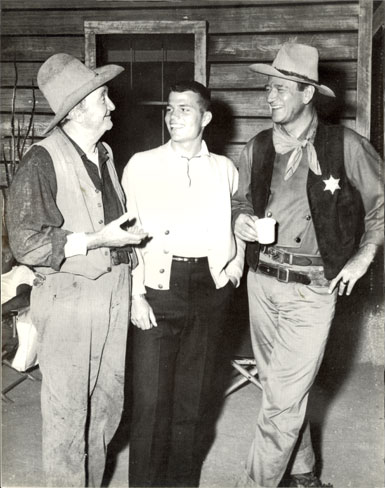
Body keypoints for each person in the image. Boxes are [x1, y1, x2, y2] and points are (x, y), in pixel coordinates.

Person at [232, 43, 383, 488]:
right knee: (282, 392)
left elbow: (381, 206)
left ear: (306, 94)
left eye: (279, 88)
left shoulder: (347, 146)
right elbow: (239, 200)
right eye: (267, 88)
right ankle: (302, 475)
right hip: (261, 283)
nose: (269, 97)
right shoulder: (260, 146)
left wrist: (363, 256)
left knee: (280, 403)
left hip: (314, 288)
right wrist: (238, 219)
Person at [6, 53, 148, 487]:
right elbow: (26, 240)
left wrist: (132, 276)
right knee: (69, 414)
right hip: (69, 299)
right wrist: (95, 241)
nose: (112, 106)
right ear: (78, 109)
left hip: (112, 293)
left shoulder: (104, 153)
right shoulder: (41, 160)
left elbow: (114, 222)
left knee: (107, 407)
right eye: (103, 97)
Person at [122, 80, 245, 487]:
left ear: (206, 117)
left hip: (210, 288)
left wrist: (233, 269)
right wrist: (135, 293)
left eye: (185, 109)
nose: (174, 117)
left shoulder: (224, 170)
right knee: (152, 404)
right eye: (170, 109)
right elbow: (128, 236)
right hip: (159, 287)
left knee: (192, 405)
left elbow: (238, 223)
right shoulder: (142, 164)